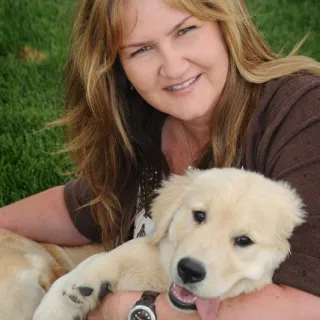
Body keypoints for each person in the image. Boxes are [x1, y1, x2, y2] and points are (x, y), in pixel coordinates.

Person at [1, 0, 320, 319]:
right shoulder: (146, 124)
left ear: (226, 24)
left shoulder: (302, 115)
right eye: (141, 49)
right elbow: (84, 207)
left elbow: (308, 305)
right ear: (117, 66)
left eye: (186, 30)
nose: (173, 67)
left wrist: (127, 309)